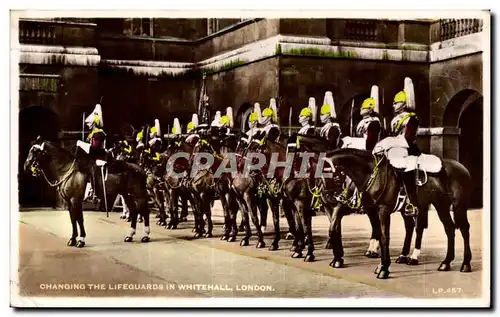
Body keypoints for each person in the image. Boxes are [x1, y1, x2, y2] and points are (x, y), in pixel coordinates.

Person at [373, 77, 420, 217]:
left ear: (404, 104)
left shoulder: (412, 118)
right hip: (395, 147)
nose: (393, 105)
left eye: (396, 102)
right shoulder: (395, 120)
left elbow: (409, 138)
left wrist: (390, 142)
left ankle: (412, 202)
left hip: (408, 149)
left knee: (405, 170)